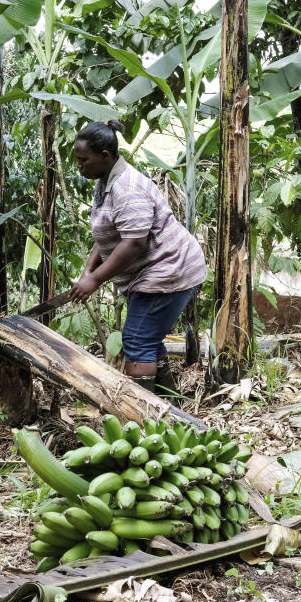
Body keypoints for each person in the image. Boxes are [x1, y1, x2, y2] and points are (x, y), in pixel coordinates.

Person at [68, 120, 206, 396]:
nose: (79, 166)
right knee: (147, 339)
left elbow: (133, 243)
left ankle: (142, 418)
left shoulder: (126, 189)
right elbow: (110, 233)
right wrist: (88, 269)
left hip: (170, 268)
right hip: (153, 272)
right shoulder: (106, 180)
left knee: (137, 339)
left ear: (104, 156)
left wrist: (94, 280)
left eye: (83, 160)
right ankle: (169, 414)